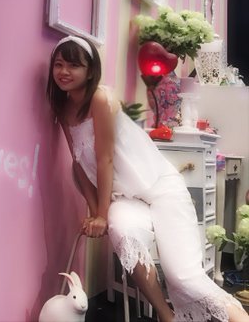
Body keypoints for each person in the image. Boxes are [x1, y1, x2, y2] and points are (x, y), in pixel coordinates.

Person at [46, 35, 249, 322]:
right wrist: (96, 213)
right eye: (58, 64)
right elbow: (79, 164)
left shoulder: (100, 98)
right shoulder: (64, 108)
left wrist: (101, 214)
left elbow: (105, 159)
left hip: (161, 188)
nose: (64, 72)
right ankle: (166, 315)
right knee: (122, 232)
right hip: (124, 198)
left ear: (90, 71)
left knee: (184, 277)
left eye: (73, 65)